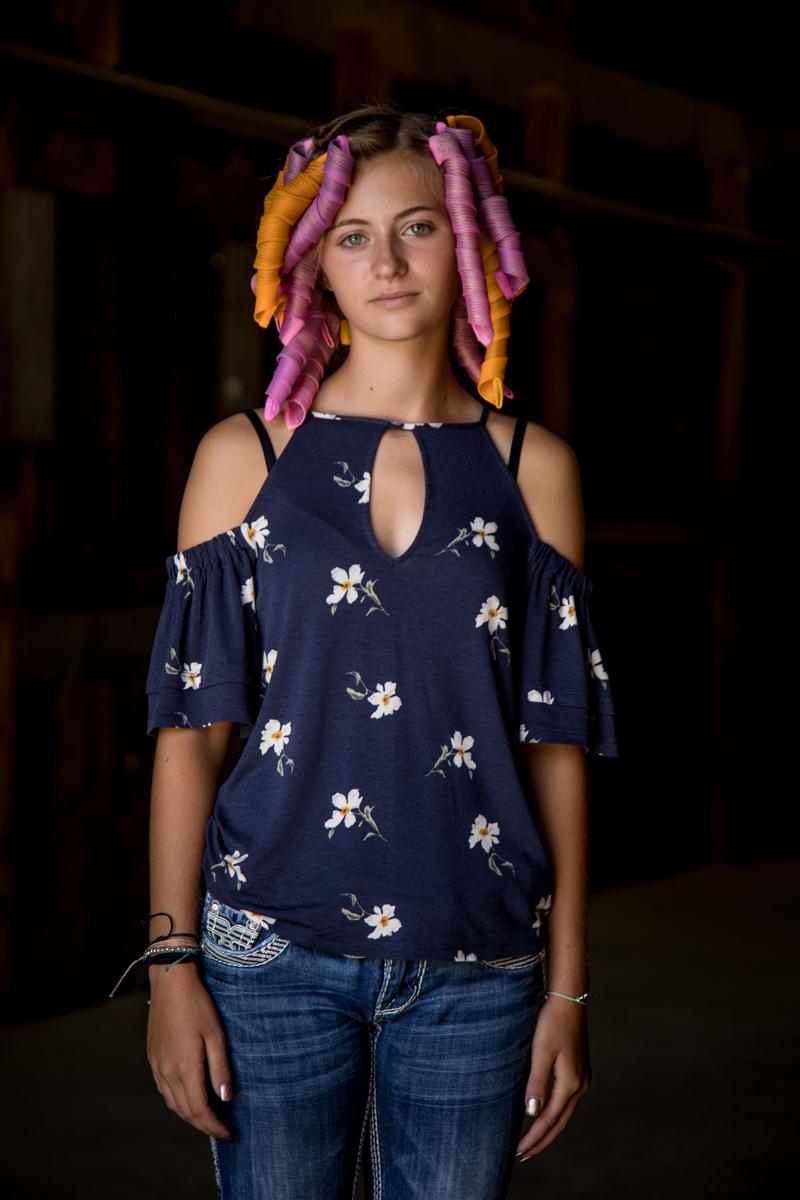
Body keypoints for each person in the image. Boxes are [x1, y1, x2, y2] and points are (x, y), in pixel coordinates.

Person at [135, 102, 620, 1199]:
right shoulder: (244, 456)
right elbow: (188, 737)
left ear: (472, 239)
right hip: (268, 952)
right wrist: (171, 970)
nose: (386, 262)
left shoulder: (531, 465)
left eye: (418, 227)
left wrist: (567, 989)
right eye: (351, 235)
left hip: (481, 958)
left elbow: (555, 748)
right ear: (310, 261)